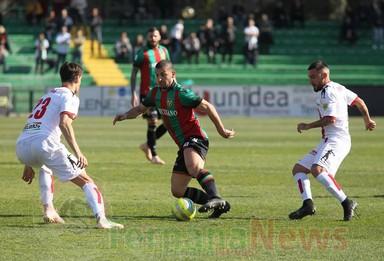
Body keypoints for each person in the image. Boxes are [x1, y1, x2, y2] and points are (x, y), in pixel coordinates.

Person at [113, 60, 235, 218]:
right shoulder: (155, 93)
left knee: (193, 166)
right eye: (157, 76)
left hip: (195, 138)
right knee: (177, 190)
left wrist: (222, 130)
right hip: (184, 144)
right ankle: (217, 203)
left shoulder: (181, 93)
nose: (159, 79)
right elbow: (139, 109)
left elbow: (208, 107)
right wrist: (124, 115)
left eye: (163, 75)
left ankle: (216, 197)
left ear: (173, 74)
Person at [16, 62, 123, 229]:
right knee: (86, 181)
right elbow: (64, 123)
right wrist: (78, 152)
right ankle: (102, 220)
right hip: (45, 144)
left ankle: (49, 209)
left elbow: (35, 123)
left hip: (22, 146)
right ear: (78, 78)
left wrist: (28, 162)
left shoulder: (47, 95)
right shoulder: (70, 96)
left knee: (45, 167)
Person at [289, 60, 376, 221]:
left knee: (318, 170)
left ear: (324, 75)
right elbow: (359, 102)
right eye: (309, 77)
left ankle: (347, 202)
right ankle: (308, 205)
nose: (310, 80)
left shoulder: (329, 92)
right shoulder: (339, 87)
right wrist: (367, 120)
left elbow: (331, 119)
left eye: (313, 77)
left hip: (337, 141)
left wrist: (308, 126)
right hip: (328, 140)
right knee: (298, 169)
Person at [130, 27, 170, 165]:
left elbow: (169, 71)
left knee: (169, 122)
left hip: (163, 92)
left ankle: (147, 145)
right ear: (147, 37)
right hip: (147, 94)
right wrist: (133, 93)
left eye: (155, 36)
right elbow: (134, 73)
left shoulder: (164, 51)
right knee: (152, 121)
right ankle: (154, 155)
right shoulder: (142, 53)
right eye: (150, 36)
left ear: (159, 37)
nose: (153, 38)